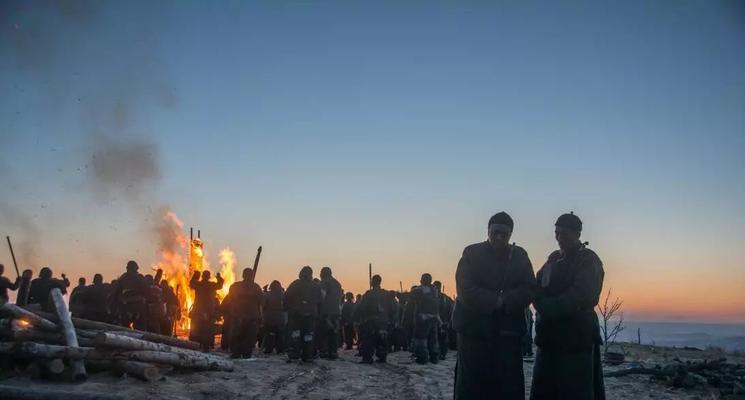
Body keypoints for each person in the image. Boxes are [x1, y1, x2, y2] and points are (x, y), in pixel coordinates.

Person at [452, 212, 537, 400]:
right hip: (474, 334)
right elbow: (465, 289)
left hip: (508, 335)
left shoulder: (520, 256)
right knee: (472, 388)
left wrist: (506, 301)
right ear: (488, 231)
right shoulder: (471, 253)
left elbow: (529, 288)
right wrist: (494, 301)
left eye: (504, 234)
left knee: (507, 388)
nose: (499, 237)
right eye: (495, 232)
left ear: (510, 234)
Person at [530, 212, 606, 400]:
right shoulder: (553, 258)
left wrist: (547, 308)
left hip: (576, 339)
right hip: (549, 338)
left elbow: (581, 295)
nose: (559, 238)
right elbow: (537, 285)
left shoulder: (588, 260)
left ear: (577, 234)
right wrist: (539, 302)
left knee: (575, 391)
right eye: (557, 233)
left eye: (564, 233)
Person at [284, 266, 322, 362]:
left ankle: (294, 354)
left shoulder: (295, 284)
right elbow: (320, 300)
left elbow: (286, 297)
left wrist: (289, 309)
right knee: (308, 335)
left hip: (296, 314)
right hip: (311, 315)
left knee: (295, 334)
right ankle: (307, 355)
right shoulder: (316, 286)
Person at [355, 274, 396, 364]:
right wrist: (390, 318)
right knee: (382, 338)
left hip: (371, 320)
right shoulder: (386, 294)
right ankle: (382, 356)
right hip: (384, 320)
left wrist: (359, 316)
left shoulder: (369, 294)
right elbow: (392, 308)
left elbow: (362, 306)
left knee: (369, 338)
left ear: (373, 282)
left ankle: (367, 357)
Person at [223, 268, 263, 358]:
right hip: (244, 315)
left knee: (242, 335)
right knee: (246, 335)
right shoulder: (255, 287)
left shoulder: (237, 286)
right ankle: (243, 352)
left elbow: (230, 299)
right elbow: (261, 301)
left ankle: (240, 352)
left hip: (242, 315)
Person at [409, 273, 441, 364]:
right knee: (433, 339)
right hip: (434, 317)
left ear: (423, 280)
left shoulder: (419, 290)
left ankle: (422, 358)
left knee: (421, 339)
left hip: (422, 318)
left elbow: (411, 296)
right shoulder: (434, 290)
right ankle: (434, 357)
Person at [110, 261, 150, 331]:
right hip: (138, 308)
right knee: (140, 331)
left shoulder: (122, 278)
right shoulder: (140, 278)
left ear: (127, 268)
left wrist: (114, 309)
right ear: (136, 269)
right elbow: (148, 292)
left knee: (124, 330)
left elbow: (115, 294)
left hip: (125, 308)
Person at [189, 270, 224, 351]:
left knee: (197, 330)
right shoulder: (212, 285)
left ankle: (195, 346)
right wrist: (219, 277)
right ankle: (206, 347)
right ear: (208, 277)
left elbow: (191, 283)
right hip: (207, 311)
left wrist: (195, 275)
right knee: (207, 330)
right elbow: (220, 285)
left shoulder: (198, 284)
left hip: (199, 310)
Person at [317, 266, 343, 359]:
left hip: (326, 312)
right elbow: (340, 298)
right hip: (336, 312)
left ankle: (324, 352)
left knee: (324, 333)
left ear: (323, 274)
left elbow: (322, 296)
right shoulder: (338, 284)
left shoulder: (325, 282)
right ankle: (333, 352)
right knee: (334, 333)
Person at [262, 280, 286, 354]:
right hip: (280, 318)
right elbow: (287, 305)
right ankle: (280, 350)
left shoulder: (267, 295)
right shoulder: (283, 295)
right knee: (280, 335)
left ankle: (269, 349)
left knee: (270, 334)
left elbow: (263, 305)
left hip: (269, 318)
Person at [433, 280, 454, 360]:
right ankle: (438, 354)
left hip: (442, 321)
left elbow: (451, 309)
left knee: (442, 339)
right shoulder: (434, 297)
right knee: (436, 339)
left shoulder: (444, 298)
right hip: (436, 321)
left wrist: (447, 321)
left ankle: (442, 354)